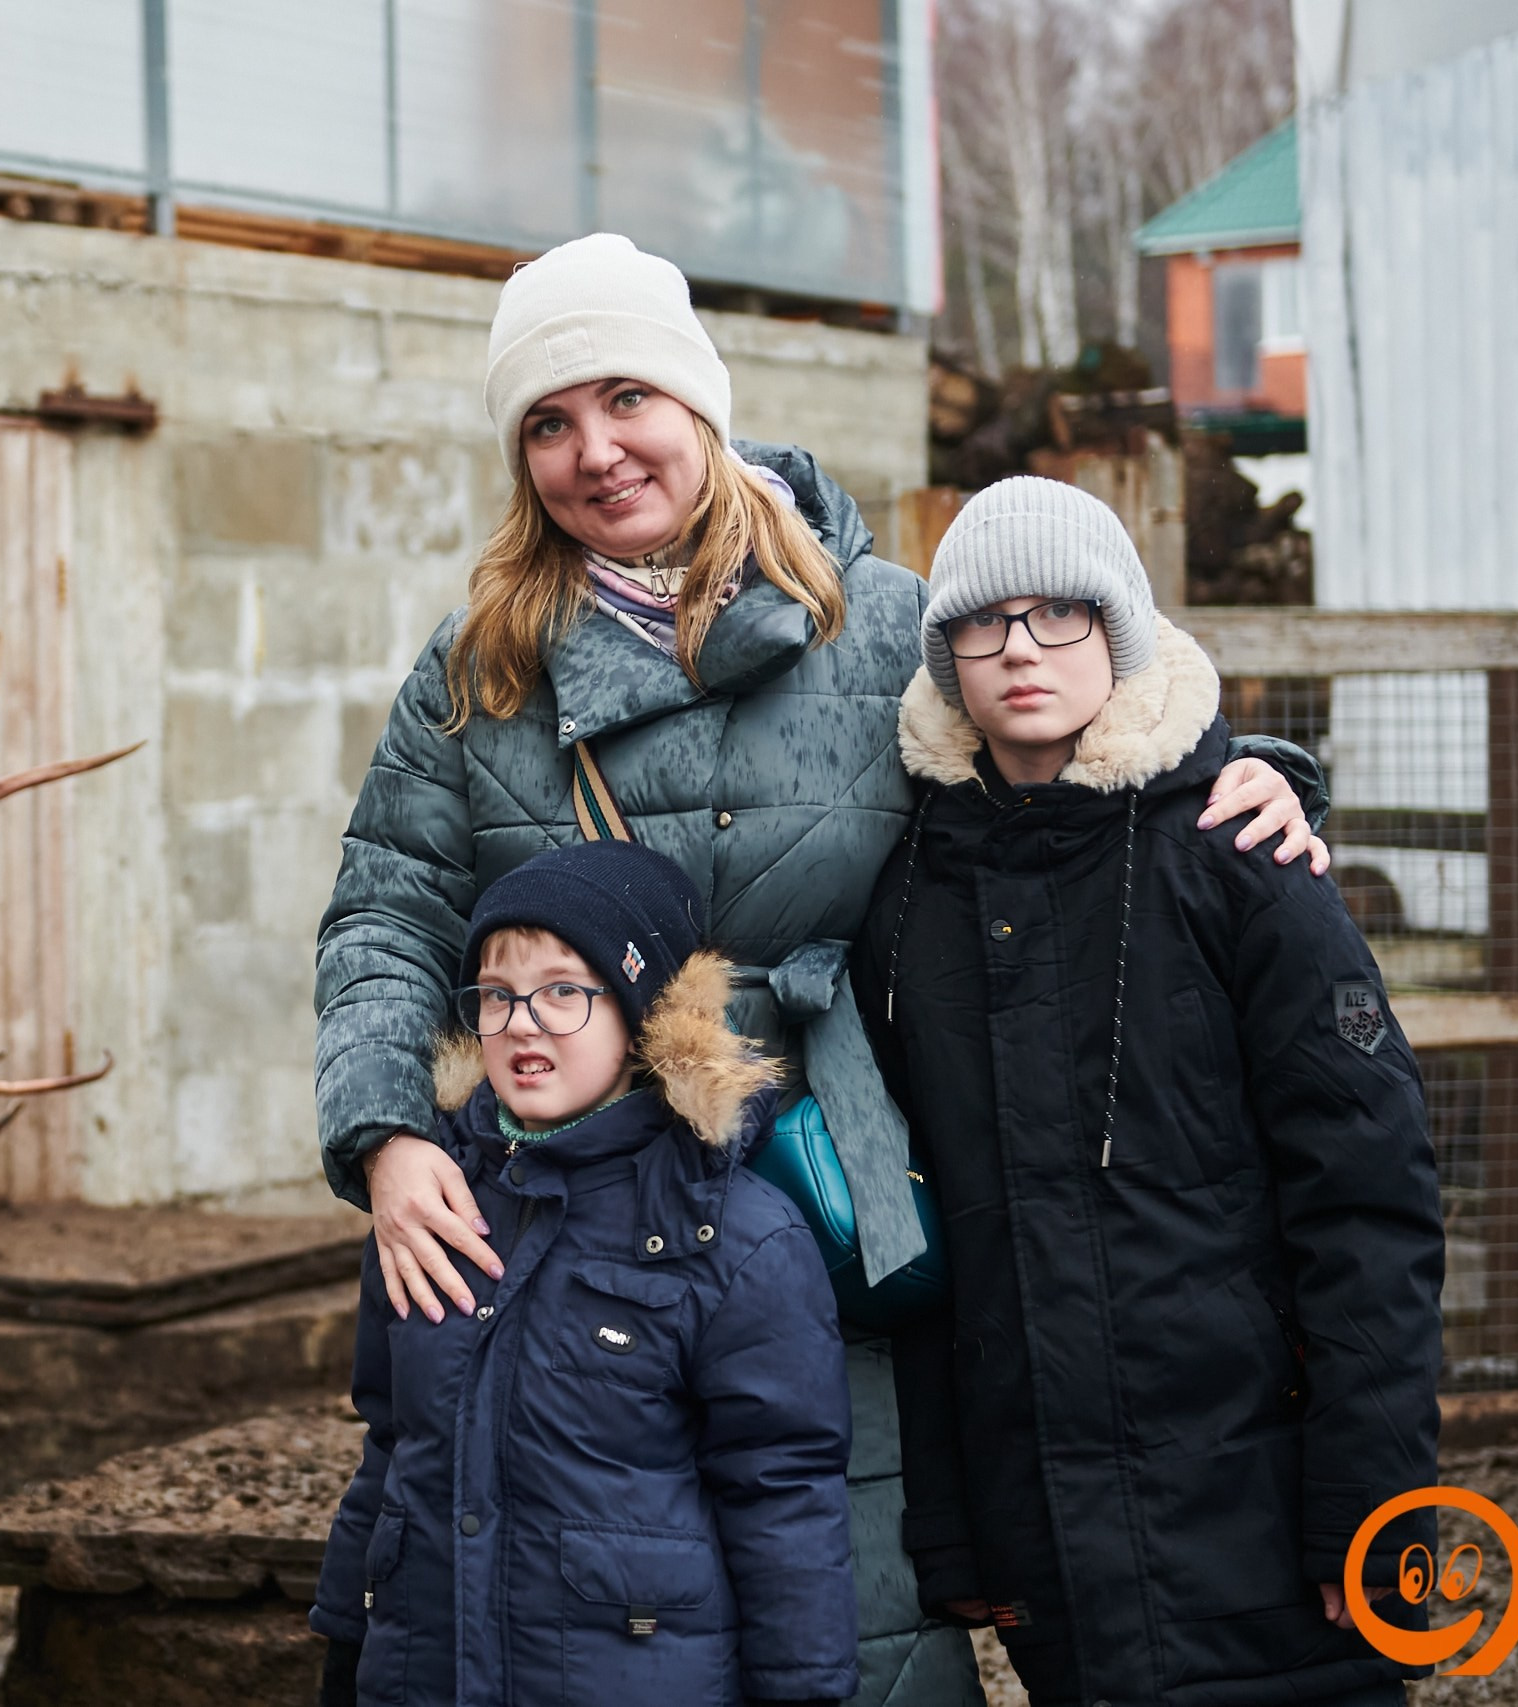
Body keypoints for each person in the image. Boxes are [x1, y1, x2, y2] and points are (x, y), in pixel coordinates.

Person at [314, 233, 1329, 1703]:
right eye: (548, 420)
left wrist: (1263, 778)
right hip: (573, 1217)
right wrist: (390, 1130)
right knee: (575, 1612)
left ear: (700, 403)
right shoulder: (481, 671)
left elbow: (1091, 731)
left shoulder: (885, 626)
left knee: (851, 1605)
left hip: (840, 1195)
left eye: (626, 398)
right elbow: (385, 912)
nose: (596, 452)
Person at [855, 476, 1444, 1707]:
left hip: (1259, 1498)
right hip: (1046, 1524)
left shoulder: (1246, 859)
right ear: (943, 653)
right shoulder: (909, 900)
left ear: (1116, 632)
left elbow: (1368, 1196)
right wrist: (957, 1526)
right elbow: (914, 1241)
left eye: (1060, 612)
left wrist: (1374, 1488)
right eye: (983, 619)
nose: (1020, 647)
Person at [313, 841, 859, 1707]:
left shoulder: (734, 1234)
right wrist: (346, 1635)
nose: (522, 1021)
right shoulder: (431, 1208)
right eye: (497, 994)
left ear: (642, 1013)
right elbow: (391, 1443)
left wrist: (799, 1692)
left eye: (564, 990)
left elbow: (780, 1489)